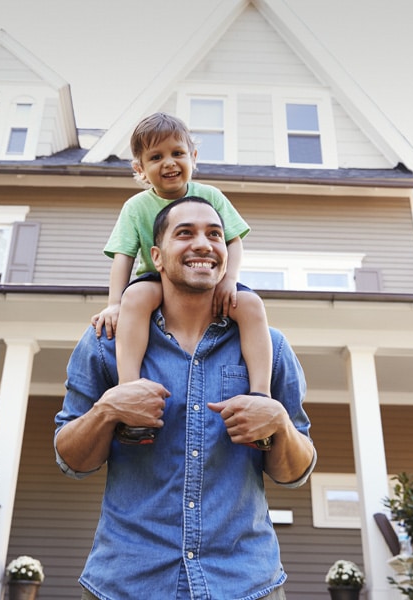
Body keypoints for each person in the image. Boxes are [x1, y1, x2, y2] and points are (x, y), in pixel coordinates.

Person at [55, 197, 316, 600]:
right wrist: (108, 410)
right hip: (127, 583)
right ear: (156, 257)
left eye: (214, 234)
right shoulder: (106, 344)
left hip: (245, 584)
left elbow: (295, 471)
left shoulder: (269, 346)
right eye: (185, 233)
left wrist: (279, 422)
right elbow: (70, 459)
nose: (204, 243)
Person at [91, 113, 272, 441]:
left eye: (177, 153)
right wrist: (114, 304)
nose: (169, 163)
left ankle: (261, 397)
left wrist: (230, 280)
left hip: (208, 278)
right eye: (156, 157)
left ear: (193, 157)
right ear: (140, 169)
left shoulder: (211, 196)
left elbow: (233, 240)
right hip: (156, 279)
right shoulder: (135, 207)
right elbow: (123, 257)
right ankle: (130, 392)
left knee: (250, 304)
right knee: (137, 297)